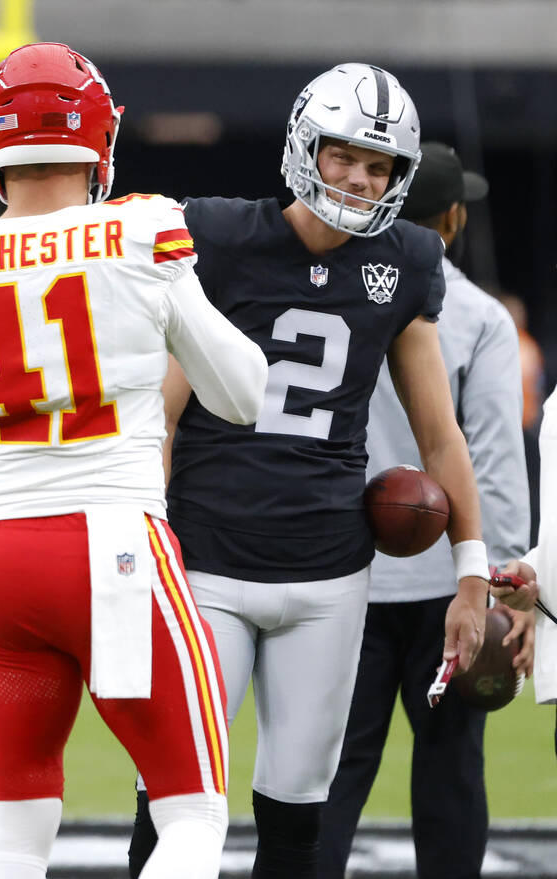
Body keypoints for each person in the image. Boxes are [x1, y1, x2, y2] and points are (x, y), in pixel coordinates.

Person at [0, 42, 270, 879]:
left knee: (15, 833)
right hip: (113, 540)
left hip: (1, 556)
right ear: (98, 141)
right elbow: (243, 394)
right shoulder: (141, 231)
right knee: (192, 812)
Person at [127, 64, 492, 879]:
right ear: (304, 147)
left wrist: (470, 570)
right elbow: (161, 414)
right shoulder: (219, 237)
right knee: (178, 799)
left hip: (328, 573)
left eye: (380, 165)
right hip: (207, 565)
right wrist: (142, 549)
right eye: (344, 155)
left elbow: (440, 437)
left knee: (298, 812)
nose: (360, 177)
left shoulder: (404, 258)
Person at [318, 141, 533, 879]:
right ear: (453, 218)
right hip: (452, 586)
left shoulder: (331, 286)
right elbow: (497, 459)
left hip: (343, 575)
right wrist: (506, 582)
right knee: (450, 772)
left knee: (328, 771)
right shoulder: (479, 316)